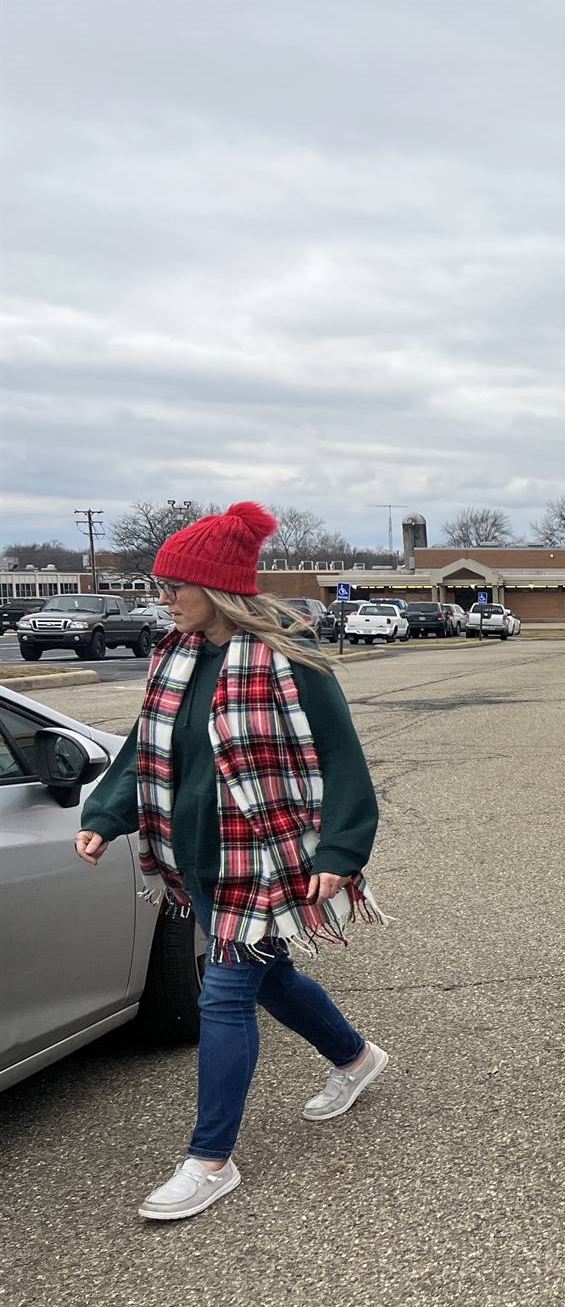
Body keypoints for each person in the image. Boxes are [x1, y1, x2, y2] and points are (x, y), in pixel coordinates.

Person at [73, 503, 387, 1222]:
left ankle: (209, 1159)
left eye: (171, 586)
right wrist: (105, 814)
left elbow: (341, 758)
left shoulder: (291, 658)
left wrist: (341, 849)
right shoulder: (173, 656)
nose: (162, 599)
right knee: (268, 973)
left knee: (224, 992)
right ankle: (358, 1059)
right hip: (195, 856)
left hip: (264, 857)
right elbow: (144, 748)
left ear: (213, 589)